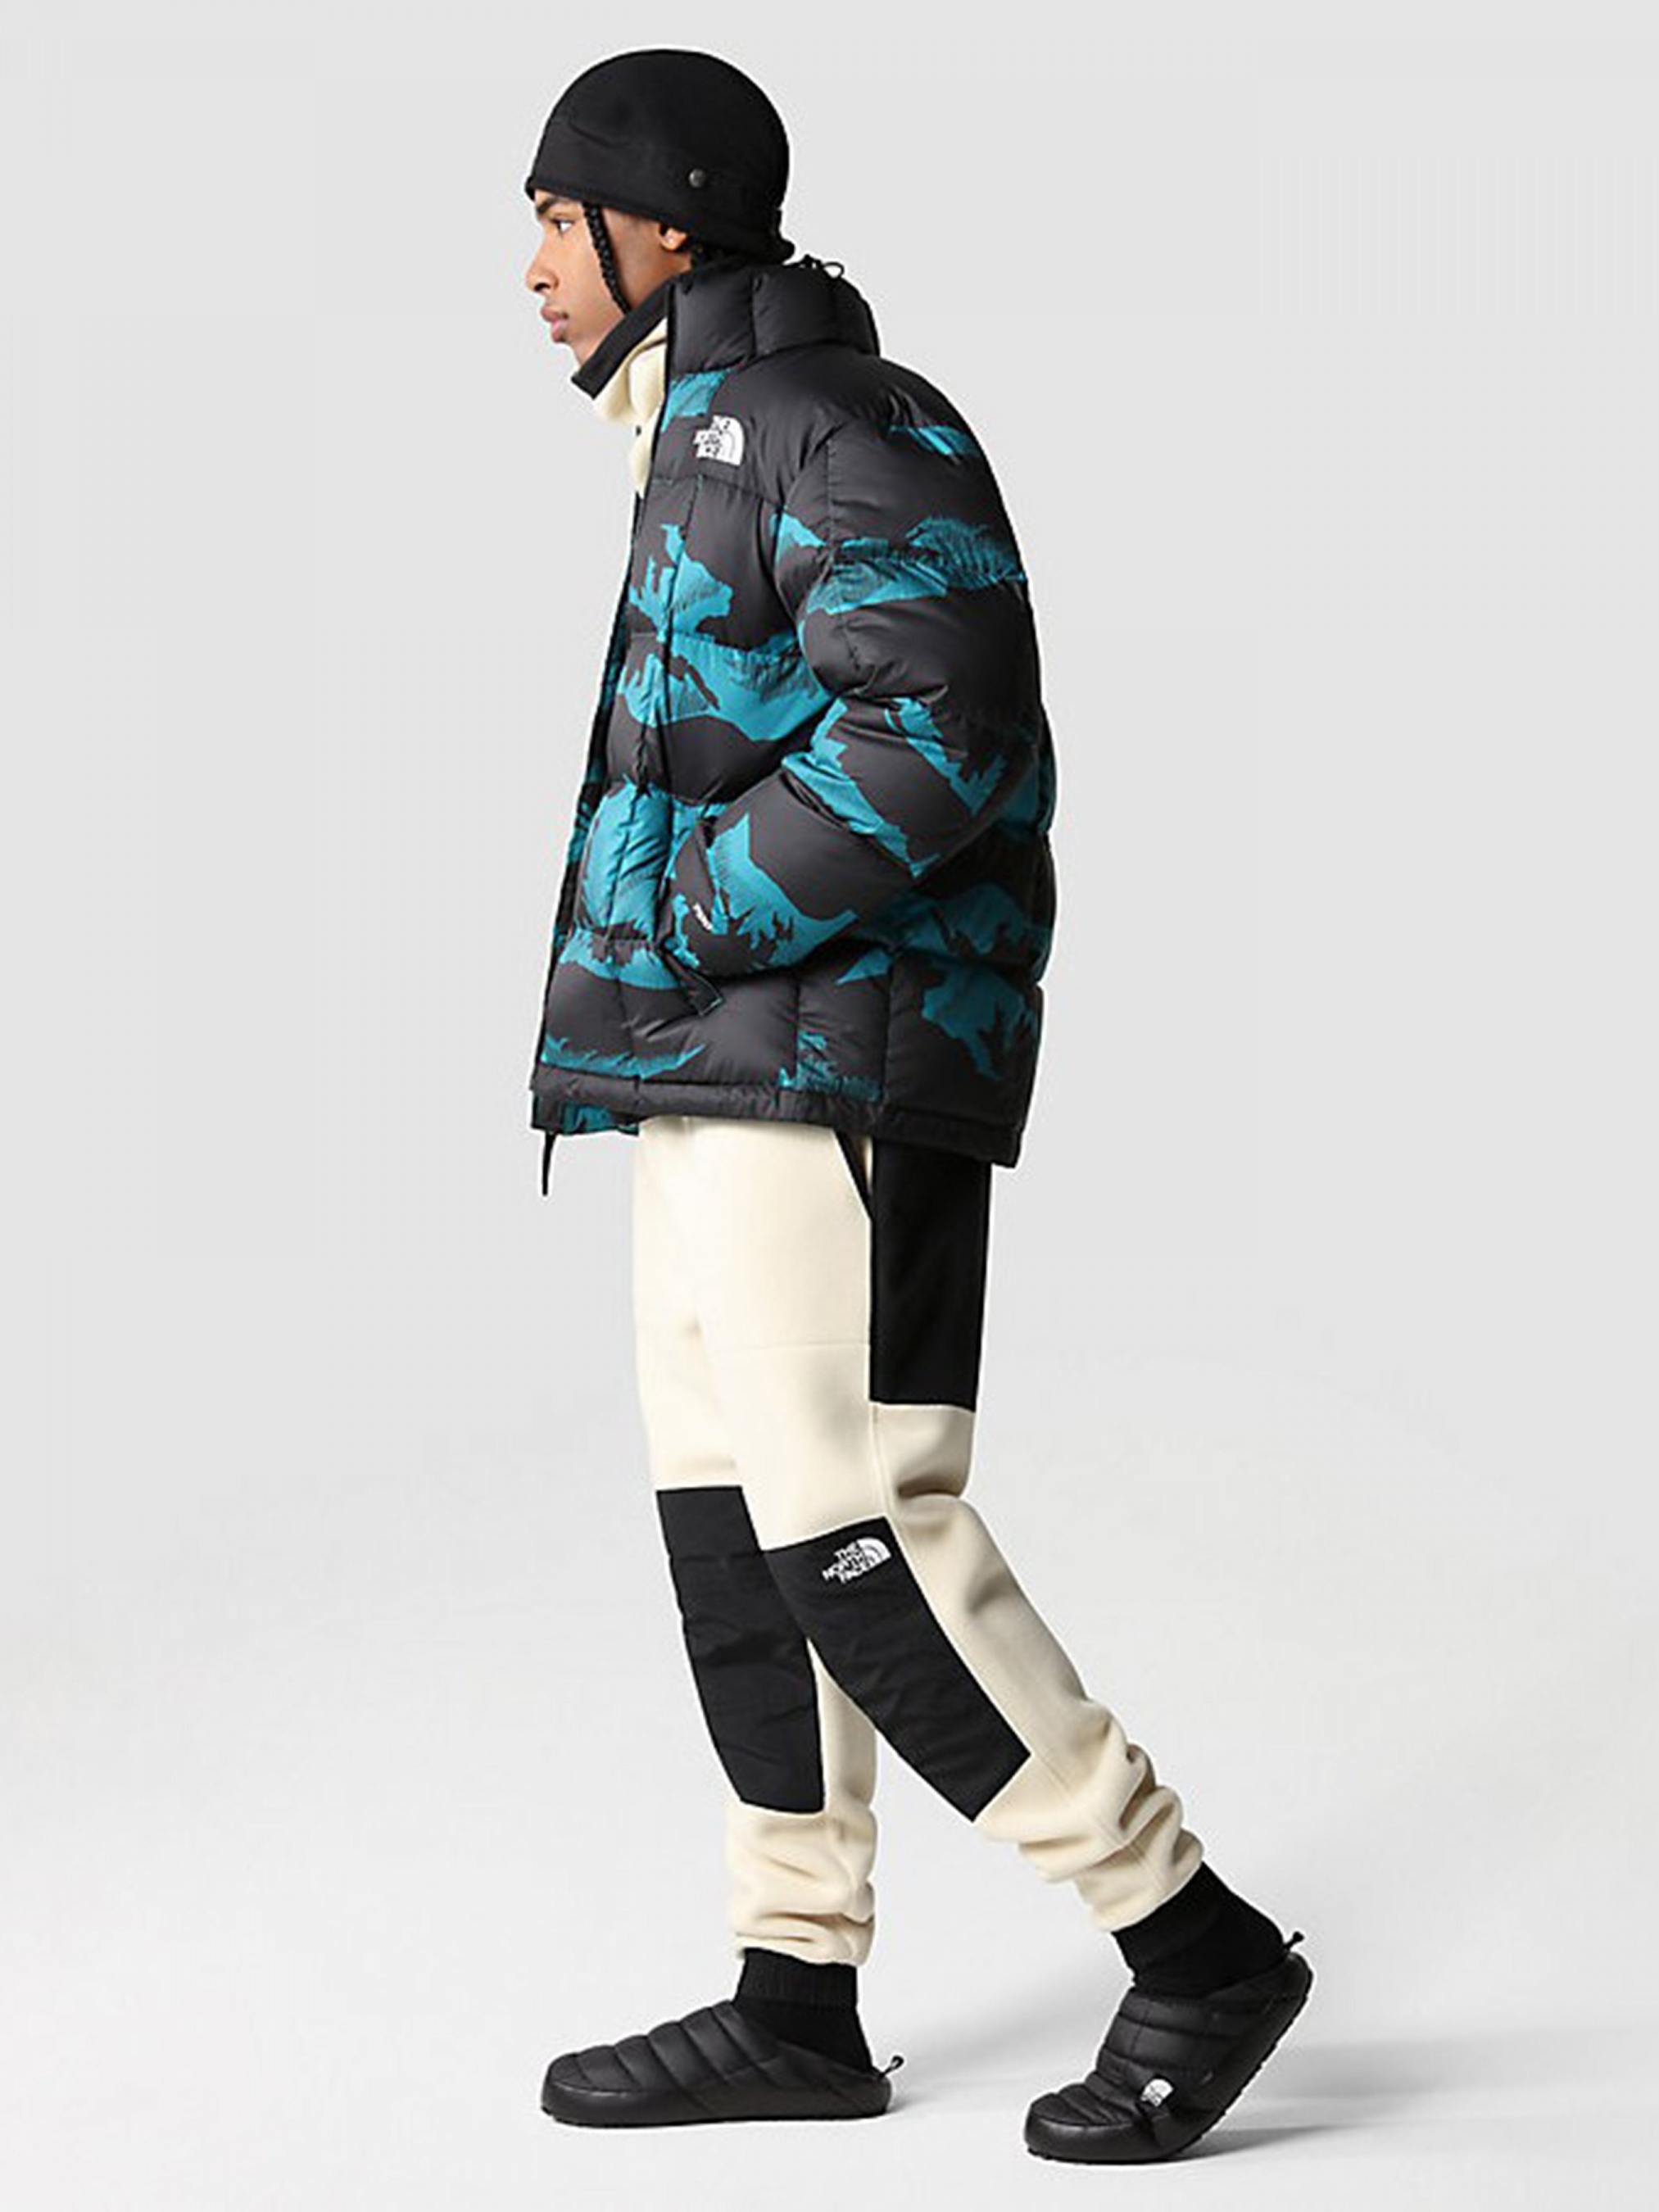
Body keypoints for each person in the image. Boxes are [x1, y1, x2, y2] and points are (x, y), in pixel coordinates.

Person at [519, 46, 1312, 2164]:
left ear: (665, 223)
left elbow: (945, 718)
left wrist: (698, 908)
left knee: (858, 1526)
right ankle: (797, 1993)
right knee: (731, 1543)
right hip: (708, 1070)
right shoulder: (692, 439)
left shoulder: (839, 423)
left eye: (558, 218)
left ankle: (1195, 1941)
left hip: (833, 1062)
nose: (533, 265)